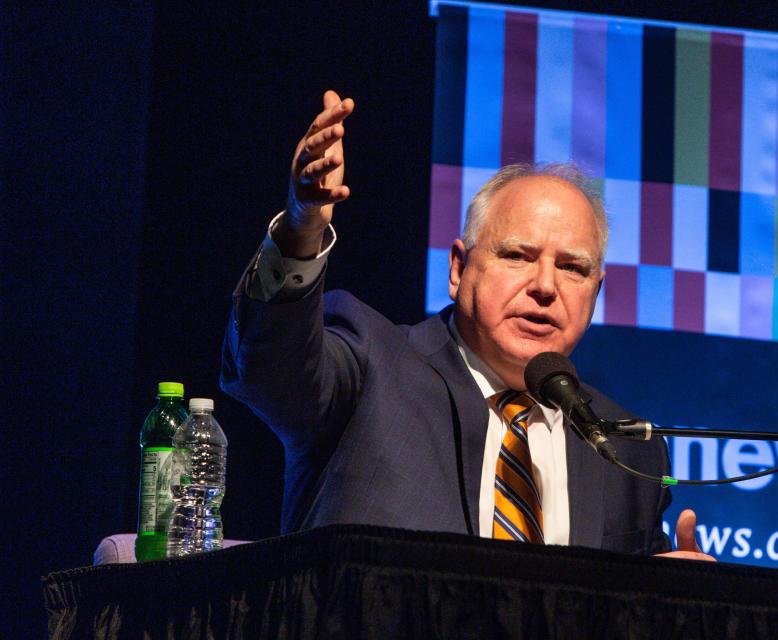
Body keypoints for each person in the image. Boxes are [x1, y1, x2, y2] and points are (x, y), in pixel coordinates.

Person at [222, 90, 713, 560]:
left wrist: (675, 598)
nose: (546, 286)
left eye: (572, 267)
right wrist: (302, 229)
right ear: (458, 269)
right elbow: (269, 368)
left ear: (596, 291)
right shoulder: (371, 365)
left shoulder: (627, 452)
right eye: (517, 256)